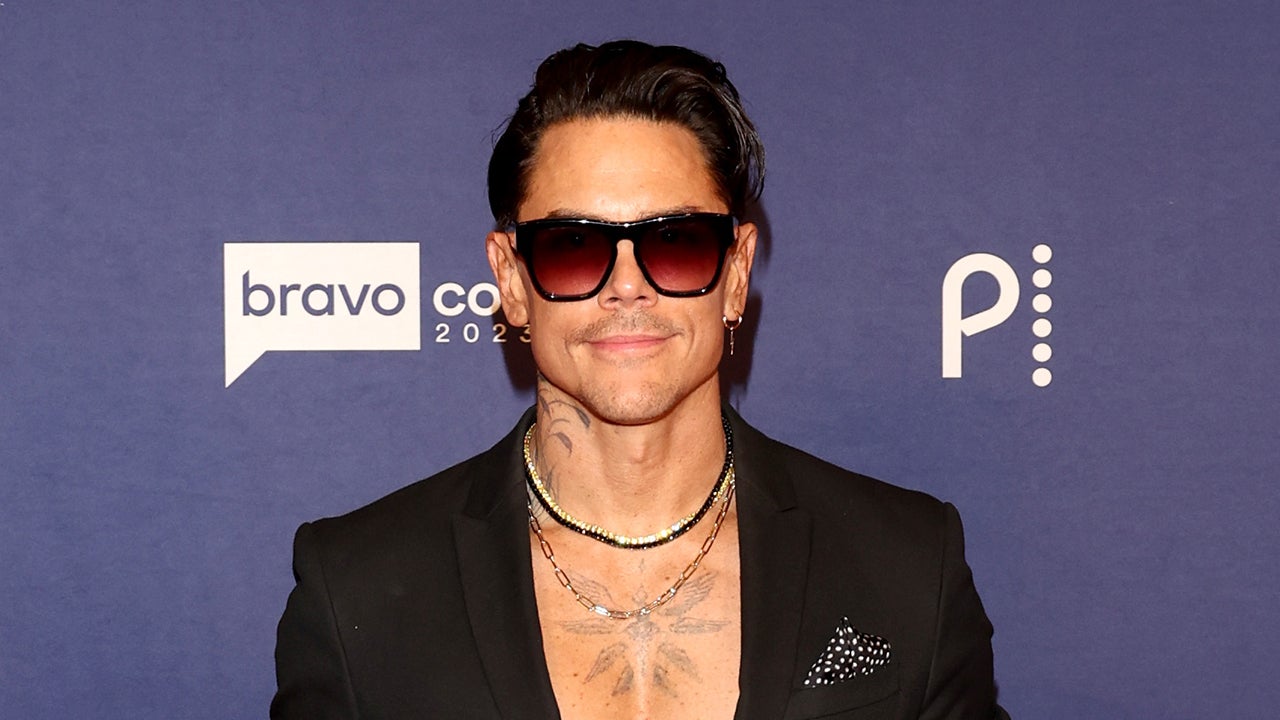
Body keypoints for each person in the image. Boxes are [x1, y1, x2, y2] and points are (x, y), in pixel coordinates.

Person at [272, 40, 1008, 720]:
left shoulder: (908, 568)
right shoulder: (356, 592)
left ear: (736, 272)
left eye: (675, 242)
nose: (628, 286)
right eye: (572, 246)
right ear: (512, 281)